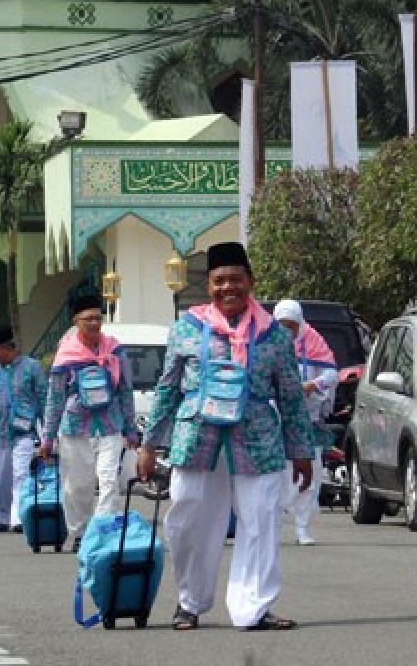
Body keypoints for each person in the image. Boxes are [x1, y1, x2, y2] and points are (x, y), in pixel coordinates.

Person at [138, 241, 314, 632]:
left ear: (250, 282)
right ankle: (190, 602)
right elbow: (167, 388)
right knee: (188, 518)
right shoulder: (187, 328)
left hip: (258, 442)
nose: (227, 288)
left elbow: (290, 397)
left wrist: (301, 452)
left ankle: (253, 607)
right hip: (196, 440)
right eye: (219, 281)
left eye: (236, 279)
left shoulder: (275, 336)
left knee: (261, 520)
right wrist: (150, 445)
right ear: (209, 285)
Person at [41, 294, 139, 545]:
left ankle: (102, 532)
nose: (95, 323)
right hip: (75, 428)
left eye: (98, 318)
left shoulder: (115, 350)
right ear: (76, 321)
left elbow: (125, 390)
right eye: (88, 319)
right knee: (78, 486)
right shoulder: (65, 356)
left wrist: (131, 429)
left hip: (110, 425)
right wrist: (48, 437)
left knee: (108, 480)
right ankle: (81, 533)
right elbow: (55, 398)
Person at [272, 299, 338, 546]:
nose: (287, 332)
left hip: (308, 419)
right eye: (282, 326)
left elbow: (331, 372)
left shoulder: (312, 340)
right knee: (278, 475)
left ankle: (302, 527)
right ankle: (274, 526)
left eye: (292, 326)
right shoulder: (267, 342)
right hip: (276, 419)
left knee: (312, 472)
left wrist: (313, 385)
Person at [0, 326, 46, 533]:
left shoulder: (32, 367)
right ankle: (3, 516)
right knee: (1, 479)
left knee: (21, 474)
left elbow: (43, 399)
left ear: (7, 348)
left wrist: (49, 433)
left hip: (24, 433)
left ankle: (18, 517)